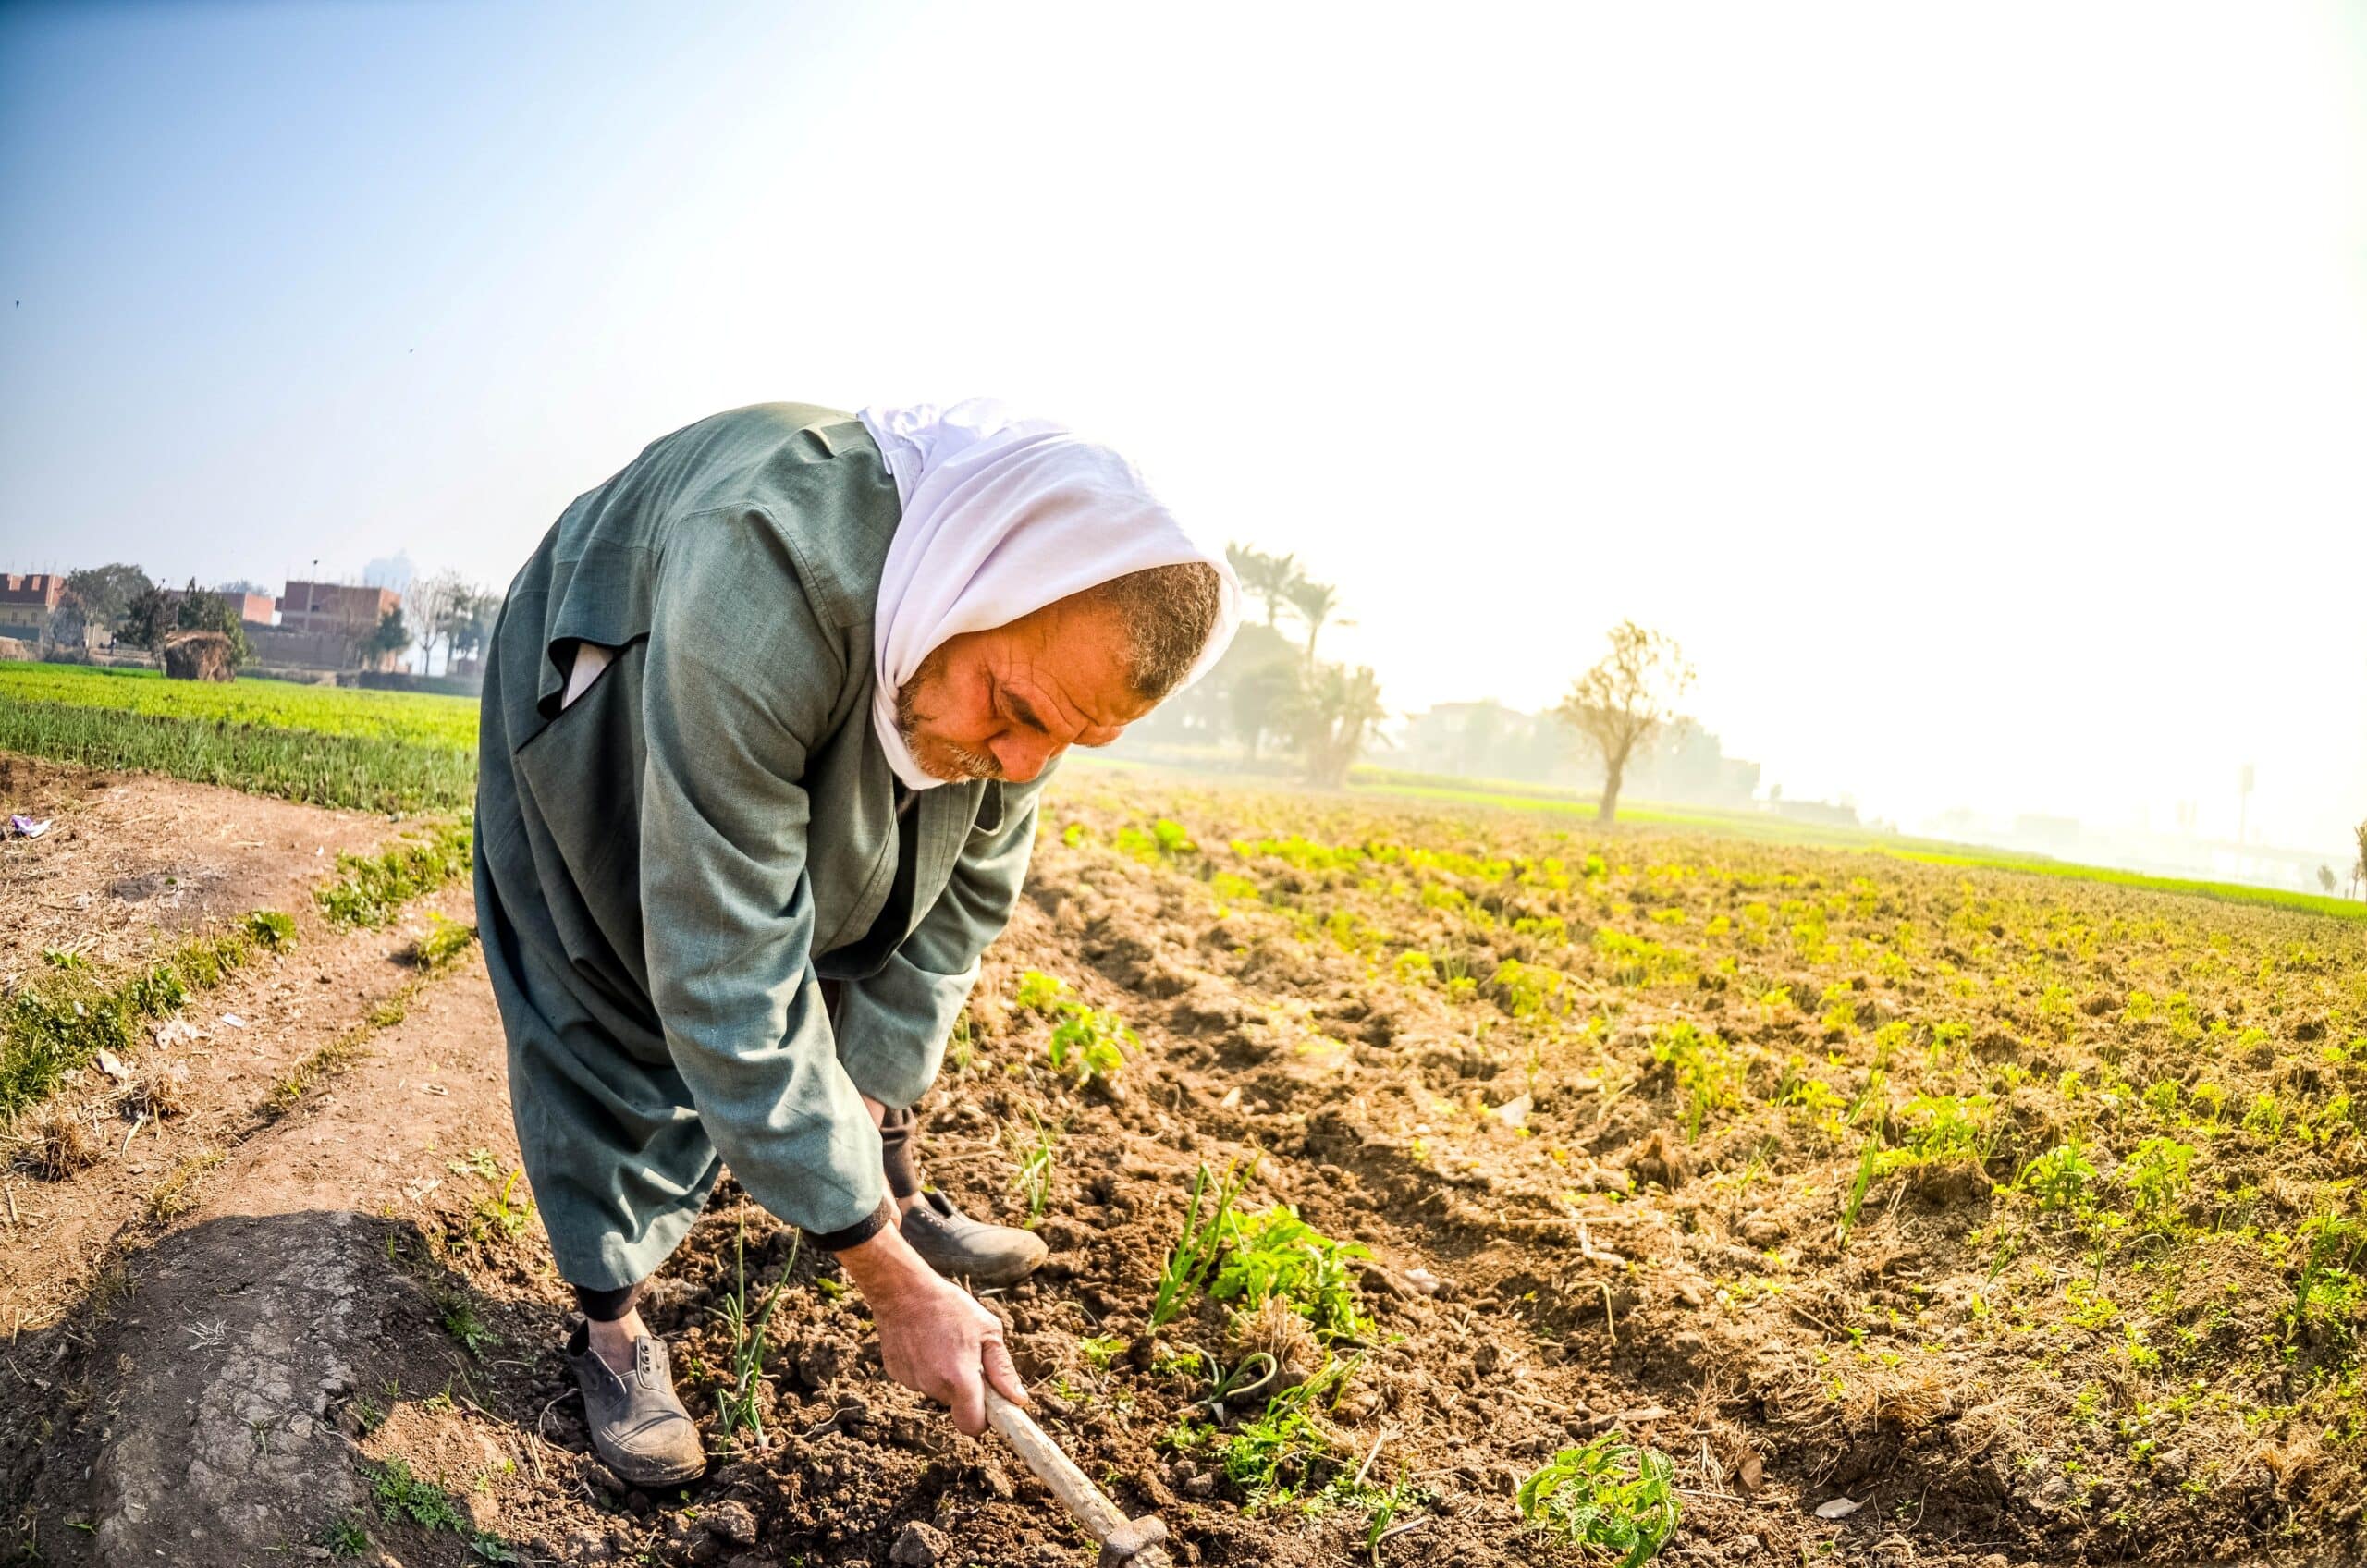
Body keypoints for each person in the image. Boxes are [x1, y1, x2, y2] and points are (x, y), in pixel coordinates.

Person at [473, 398, 1237, 1488]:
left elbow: (964, 899)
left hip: (863, 655)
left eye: (1070, 739)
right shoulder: (759, 581)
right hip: (627, 658)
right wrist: (887, 1283)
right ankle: (612, 1327)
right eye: (1017, 709)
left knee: (903, 885)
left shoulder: (1019, 653)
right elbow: (726, 957)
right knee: (615, 971)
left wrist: (868, 1128)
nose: (1027, 765)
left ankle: (886, 1181)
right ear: (973, 583)